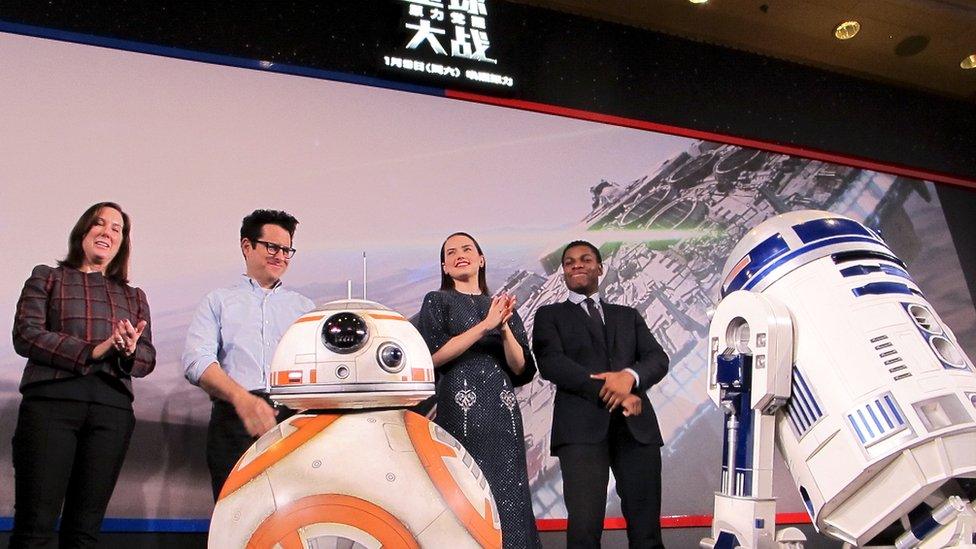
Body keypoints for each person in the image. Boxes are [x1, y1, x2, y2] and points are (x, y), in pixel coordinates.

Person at [10, 201, 156, 548]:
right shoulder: (48, 277)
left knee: (84, 531)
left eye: (116, 228)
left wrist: (129, 350)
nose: (107, 232)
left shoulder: (133, 295)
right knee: (35, 526)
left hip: (111, 413)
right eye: (99, 224)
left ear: (123, 242)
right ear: (83, 231)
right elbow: (26, 334)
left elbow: (147, 357)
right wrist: (94, 350)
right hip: (51, 406)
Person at [532, 240, 669, 549]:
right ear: (564, 272)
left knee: (647, 529)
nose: (576, 265)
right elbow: (552, 363)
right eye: (569, 262)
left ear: (599, 268)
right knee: (584, 531)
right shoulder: (548, 316)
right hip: (580, 432)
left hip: (637, 431)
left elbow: (657, 359)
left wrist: (629, 377)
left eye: (585, 259)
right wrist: (615, 391)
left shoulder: (627, 316)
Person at [416, 232, 541, 549]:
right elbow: (434, 356)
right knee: (465, 487)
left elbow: (521, 368)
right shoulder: (437, 300)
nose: (460, 254)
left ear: (481, 259)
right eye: (451, 252)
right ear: (444, 265)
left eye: (467, 249)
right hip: (461, 404)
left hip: (502, 407)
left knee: (510, 491)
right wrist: (485, 325)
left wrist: (503, 328)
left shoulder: (499, 306)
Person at [182, 209, 314, 500]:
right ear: (247, 246)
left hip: (293, 421)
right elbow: (196, 361)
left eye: (287, 250)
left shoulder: (305, 308)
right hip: (234, 419)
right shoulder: (218, 301)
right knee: (235, 517)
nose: (280, 256)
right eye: (272, 247)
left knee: (288, 518)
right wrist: (243, 400)